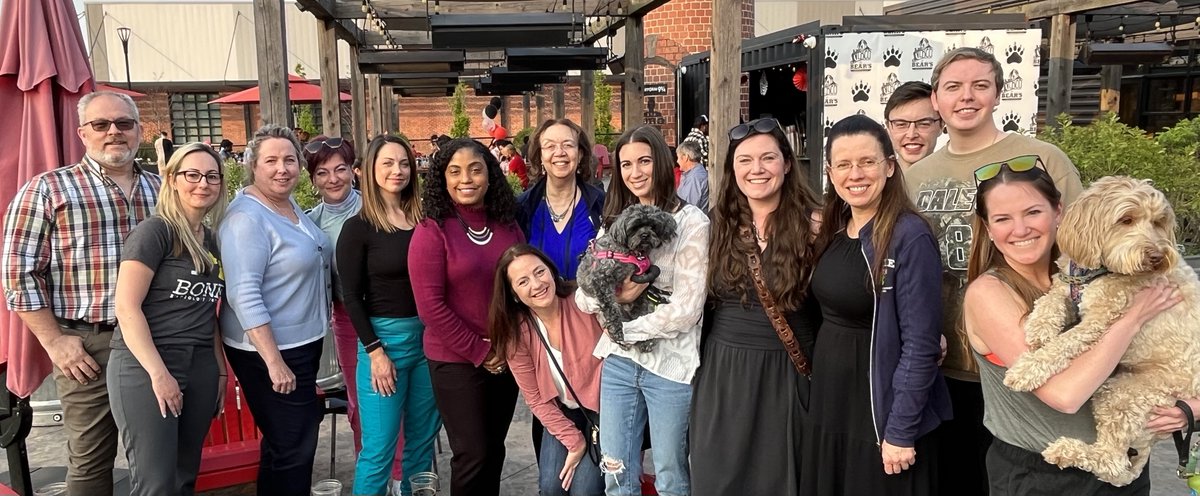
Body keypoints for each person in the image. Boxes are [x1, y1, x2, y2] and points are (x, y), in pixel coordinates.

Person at [904, 47, 1085, 495]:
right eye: (954, 87)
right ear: (936, 99)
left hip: (1029, 361)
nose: (967, 97)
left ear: (998, 94)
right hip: (949, 367)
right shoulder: (915, 176)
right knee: (958, 480)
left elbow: (1086, 250)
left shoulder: (1040, 158)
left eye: (980, 85)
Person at [961, 158, 1180, 495]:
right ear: (989, 229)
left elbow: (1177, 351)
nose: (1020, 230)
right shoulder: (988, 293)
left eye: (1033, 212)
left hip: (1123, 467)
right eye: (1003, 219)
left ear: (1058, 212)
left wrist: (1188, 409)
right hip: (1043, 476)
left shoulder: (1095, 276)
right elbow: (1064, 396)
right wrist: (1132, 317)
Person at [2, 91, 161, 495]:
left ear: (139, 131)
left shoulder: (163, 191)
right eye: (101, 125)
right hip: (88, 346)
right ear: (82, 133)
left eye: (124, 124)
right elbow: (17, 272)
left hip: (156, 338)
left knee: (158, 456)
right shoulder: (48, 189)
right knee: (91, 462)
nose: (114, 133)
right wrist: (54, 341)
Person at [802, 115, 951, 495]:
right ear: (831, 173)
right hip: (832, 402)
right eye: (844, 164)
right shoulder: (836, 231)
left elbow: (921, 345)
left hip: (879, 407)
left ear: (888, 166)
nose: (856, 174)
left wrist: (900, 429)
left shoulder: (909, 236)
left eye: (867, 162)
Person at [691, 117, 822, 495]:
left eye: (768, 157)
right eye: (745, 160)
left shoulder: (816, 224)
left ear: (787, 163)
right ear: (732, 171)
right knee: (719, 477)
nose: (757, 169)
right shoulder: (713, 226)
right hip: (723, 375)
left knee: (785, 478)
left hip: (791, 371)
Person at [576, 125, 710, 496]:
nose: (636, 172)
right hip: (620, 365)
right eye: (626, 164)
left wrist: (620, 329)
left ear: (663, 163)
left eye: (645, 161)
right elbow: (584, 297)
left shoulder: (691, 223)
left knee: (670, 475)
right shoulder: (616, 221)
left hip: (670, 366)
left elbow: (687, 310)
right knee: (616, 473)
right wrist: (617, 299)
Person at [219, 125, 333, 495]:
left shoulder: (284, 204)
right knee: (295, 447)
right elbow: (244, 293)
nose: (282, 168)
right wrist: (273, 361)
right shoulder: (246, 219)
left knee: (282, 441)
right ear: (252, 166)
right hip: (270, 350)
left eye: (289, 159)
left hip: (301, 343)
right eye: (271, 161)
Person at [108, 143, 227, 495]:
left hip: (201, 363)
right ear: (173, 180)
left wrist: (219, 371)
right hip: (147, 364)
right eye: (192, 174)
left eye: (211, 176)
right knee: (155, 482)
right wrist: (159, 375)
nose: (202, 183)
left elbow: (210, 312)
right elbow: (127, 308)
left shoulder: (214, 241)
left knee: (184, 476)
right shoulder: (154, 232)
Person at [409, 138, 525, 496]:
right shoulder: (432, 231)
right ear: (442, 179)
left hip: (505, 353)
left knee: (494, 448)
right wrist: (479, 351)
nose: (466, 179)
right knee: (471, 453)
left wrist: (508, 343)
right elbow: (431, 308)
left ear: (490, 175)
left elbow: (521, 286)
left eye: (476, 169)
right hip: (455, 359)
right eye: (455, 171)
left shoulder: (508, 225)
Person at [338, 135, 441, 496]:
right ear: (370, 171)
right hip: (384, 344)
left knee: (421, 444)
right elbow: (351, 296)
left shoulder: (426, 222)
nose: (397, 171)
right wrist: (375, 352)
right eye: (387, 163)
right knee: (379, 450)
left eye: (403, 163)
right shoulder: (358, 228)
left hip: (429, 340)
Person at [488, 244, 606, 496]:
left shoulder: (583, 302)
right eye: (523, 281)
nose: (537, 284)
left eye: (539, 272)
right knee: (552, 487)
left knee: (585, 490)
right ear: (514, 294)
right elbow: (536, 399)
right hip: (562, 411)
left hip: (604, 412)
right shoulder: (516, 333)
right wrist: (574, 442)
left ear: (552, 271)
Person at [299, 135, 380, 475]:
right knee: (361, 398)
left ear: (354, 171)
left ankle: (400, 471)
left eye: (340, 169)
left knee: (394, 397)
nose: (333, 179)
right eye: (322, 173)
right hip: (347, 320)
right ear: (312, 178)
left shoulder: (375, 209)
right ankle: (369, 466)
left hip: (389, 314)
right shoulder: (309, 222)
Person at [884, 81, 941, 169]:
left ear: (941, 125)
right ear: (888, 127)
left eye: (923, 124)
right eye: (901, 124)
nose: (911, 135)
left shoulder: (957, 180)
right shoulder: (876, 181)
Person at [674, 140, 709, 212]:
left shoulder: (694, 178)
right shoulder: (694, 174)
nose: (677, 161)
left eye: (678, 157)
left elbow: (688, 210)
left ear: (685, 157)